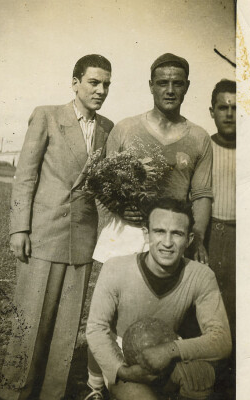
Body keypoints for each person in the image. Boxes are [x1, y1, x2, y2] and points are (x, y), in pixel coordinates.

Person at [86, 53, 213, 399]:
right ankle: (96, 387)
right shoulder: (126, 128)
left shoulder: (199, 138)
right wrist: (115, 214)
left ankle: (151, 380)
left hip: (170, 239)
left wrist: (196, 236)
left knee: (162, 316)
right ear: (151, 86)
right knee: (107, 319)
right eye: (162, 82)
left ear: (187, 87)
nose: (170, 89)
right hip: (127, 235)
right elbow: (101, 183)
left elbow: (201, 194)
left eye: (177, 83)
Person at [0, 54, 114, 400]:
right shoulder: (48, 116)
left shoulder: (108, 128)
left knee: (65, 330)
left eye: (106, 84)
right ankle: (14, 391)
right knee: (30, 321)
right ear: (75, 82)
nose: (101, 90)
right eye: (94, 82)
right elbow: (26, 175)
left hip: (81, 242)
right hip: (44, 236)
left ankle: (51, 394)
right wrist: (19, 228)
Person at [86, 197, 231, 400]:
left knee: (201, 377)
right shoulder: (116, 268)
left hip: (167, 355)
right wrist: (122, 371)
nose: (167, 243)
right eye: (160, 231)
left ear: (189, 240)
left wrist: (169, 351)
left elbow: (222, 340)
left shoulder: (201, 275)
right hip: (126, 361)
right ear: (146, 234)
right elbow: (95, 328)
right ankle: (96, 390)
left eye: (177, 234)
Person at [206, 79, 236, 398]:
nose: (229, 114)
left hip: (245, 237)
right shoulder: (204, 145)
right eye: (223, 107)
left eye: (236, 108)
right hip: (212, 234)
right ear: (212, 111)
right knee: (212, 309)